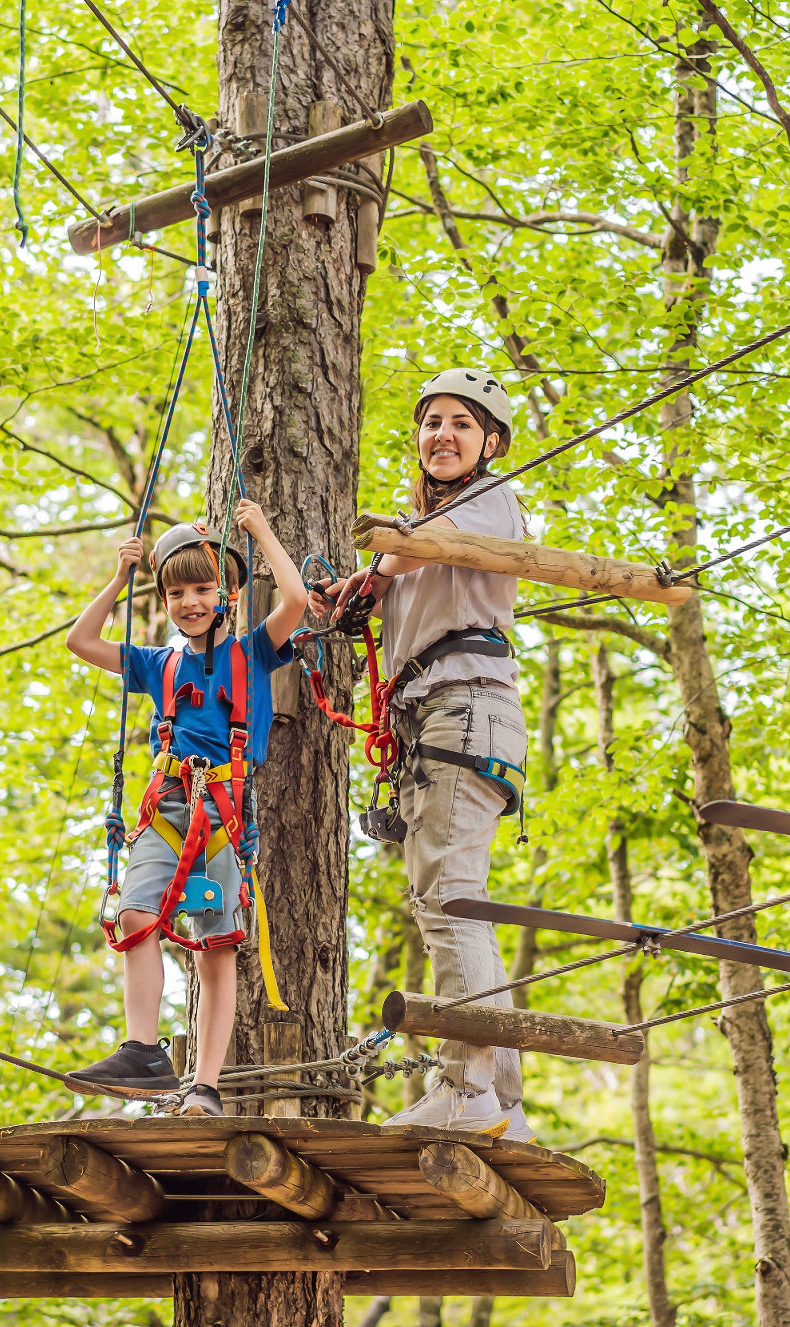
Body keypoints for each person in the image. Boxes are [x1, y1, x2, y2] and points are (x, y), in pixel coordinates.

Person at [314, 369, 533, 1141]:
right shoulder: (423, 536)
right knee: (457, 901)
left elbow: (408, 551)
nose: (442, 434)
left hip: (463, 706)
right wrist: (357, 592)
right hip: (443, 717)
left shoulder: (488, 499)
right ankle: (502, 1102)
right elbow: (403, 566)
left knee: (450, 902)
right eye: (432, 422)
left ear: (490, 443)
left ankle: (466, 1086)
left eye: (461, 424)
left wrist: (375, 570)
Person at [63, 498, 308, 1115]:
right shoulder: (159, 664)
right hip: (168, 805)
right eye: (176, 594)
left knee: (214, 946)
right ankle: (144, 1052)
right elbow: (80, 641)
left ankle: (206, 1085)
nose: (190, 603)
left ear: (227, 594)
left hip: (223, 812)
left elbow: (296, 601)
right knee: (134, 914)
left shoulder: (253, 652)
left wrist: (261, 530)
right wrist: (121, 578)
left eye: (202, 589)